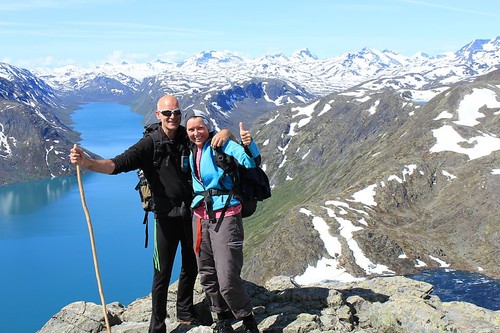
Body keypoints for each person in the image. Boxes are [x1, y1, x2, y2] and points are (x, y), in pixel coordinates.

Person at [69, 95, 232, 333]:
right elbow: (117, 164)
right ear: (158, 115)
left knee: (191, 266)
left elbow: (212, 136)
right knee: (162, 274)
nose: (173, 117)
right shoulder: (149, 144)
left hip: (192, 216)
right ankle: (157, 327)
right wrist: (88, 163)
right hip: (164, 219)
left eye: (176, 113)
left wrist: (227, 133)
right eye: (167, 113)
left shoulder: (187, 136)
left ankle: (185, 313)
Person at [184, 109, 260, 333]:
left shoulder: (221, 144)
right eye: (191, 129)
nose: (196, 133)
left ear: (208, 127)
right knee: (207, 272)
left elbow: (250, 162)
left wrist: (247, 142)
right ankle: (223, 318)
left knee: (227, 276)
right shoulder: (191, 149)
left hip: (225, 215)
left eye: (200, 128)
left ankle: (247, 320)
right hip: (200, 217)